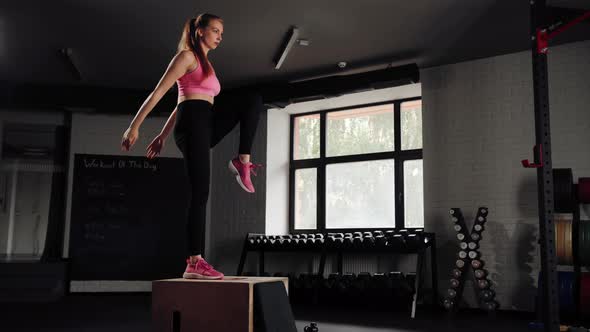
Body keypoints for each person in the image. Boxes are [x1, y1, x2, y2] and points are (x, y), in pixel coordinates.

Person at [120, 13, 263, 280]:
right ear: (199, 31)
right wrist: (134, 126)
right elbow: (160, 92)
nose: (220, 36)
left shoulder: (207, 64)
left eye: (222, 31)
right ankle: (194, 262)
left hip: (204, 121)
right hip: (193, 125)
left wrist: (163, 135)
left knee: (252, 100)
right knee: (201, 192)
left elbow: (181, 101)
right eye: (216, 30)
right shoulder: (186, 57)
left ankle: (241, 161)